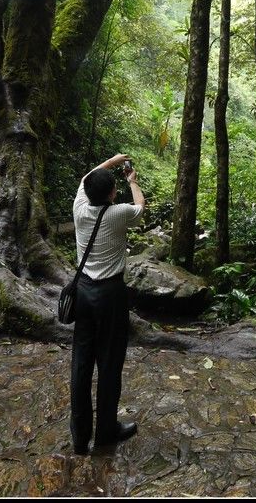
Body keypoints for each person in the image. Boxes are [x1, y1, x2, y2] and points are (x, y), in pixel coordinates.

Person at [70, 153, 145, 455]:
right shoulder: (118, 213)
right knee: (110, 362)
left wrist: (110, 162)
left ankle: (79, 435)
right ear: (113, 194)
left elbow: (85, 178)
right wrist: (133, 182)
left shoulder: (79, 209)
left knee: (81, 362)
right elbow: (140, 207)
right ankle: (106, 432)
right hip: (111, 294)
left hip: (84, 293)